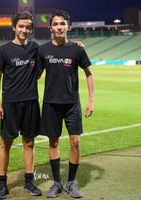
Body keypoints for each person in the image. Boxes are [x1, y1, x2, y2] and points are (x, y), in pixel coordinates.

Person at [37, 10, 94, 198]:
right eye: (56, 24)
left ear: (68, 26)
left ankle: (71, 182)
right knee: (53, 142)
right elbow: (35, 75)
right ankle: (56, 183)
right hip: (51, 104)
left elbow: (89, 74)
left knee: (75, 142)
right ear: (50, 27)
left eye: (62, 24)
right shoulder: (43, 50)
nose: (59, 27)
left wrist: (90, 101)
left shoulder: (77, 49)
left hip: (72, 104)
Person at [0, 10, 42, 199]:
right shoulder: (4, 50)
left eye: (28, 27)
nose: (24, 30)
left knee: (29, 142)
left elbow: (39, 71)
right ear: (14, 27)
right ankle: (2, 184)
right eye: (21, 26)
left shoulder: (35, 49)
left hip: (31, 102)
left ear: (31, 30)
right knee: (6, 143)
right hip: (10, 103)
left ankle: (29, 182)